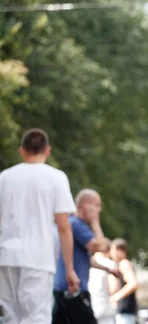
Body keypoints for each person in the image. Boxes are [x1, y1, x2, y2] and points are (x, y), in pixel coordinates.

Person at [0, 128, 80, 324]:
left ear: (22, 151)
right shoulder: (56, 178)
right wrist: (70, 268)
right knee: (36, 317)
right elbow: (63, 226)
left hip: (6, 256)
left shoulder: (4, 178)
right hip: (38, 258)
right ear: (48, 150)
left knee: (11, 317)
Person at [52, 188, 112, 324]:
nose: (99, 209)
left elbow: (84, 259)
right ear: (86, 205)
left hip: (63, 287)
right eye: (97, 205)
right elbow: (100, 246)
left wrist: (108, 269)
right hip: (73, 288)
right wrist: (95, 222)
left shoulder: (73, 224)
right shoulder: (76, 224)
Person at [109, 238, 138, 324]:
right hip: (123, 311)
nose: (114, 253)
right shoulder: (118, 265)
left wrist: (116, 297)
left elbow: (133, 283)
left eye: (117, 250)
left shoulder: (124, 263)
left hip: (124, 310)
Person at [88, 243, 119, 324]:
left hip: (90, 305)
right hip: (105, 306)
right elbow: (114, 287)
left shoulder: (87, 262)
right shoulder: (110, 264)